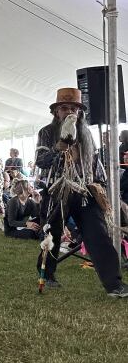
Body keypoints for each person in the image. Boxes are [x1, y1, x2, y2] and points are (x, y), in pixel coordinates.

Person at [34, 87, 127, 297]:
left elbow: (95, 163)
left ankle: (114, 285)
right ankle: (47, 275)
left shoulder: (86, 133)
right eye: (64, 108)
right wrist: (59, 149)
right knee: (52, 235)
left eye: (73, 108)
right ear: (56, 112)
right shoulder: (47, 132)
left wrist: (99, 185)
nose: (69, 112)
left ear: (80, 112)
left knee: (98, 235)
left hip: (85, 193)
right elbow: (40, 161)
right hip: (57, 192)